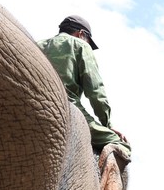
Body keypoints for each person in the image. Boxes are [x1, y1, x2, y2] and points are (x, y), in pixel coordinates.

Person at [37, 15, 132, 161]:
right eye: (88, 40)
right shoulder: (80, 45)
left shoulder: (38, 44)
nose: (88, 44)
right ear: (81, 34)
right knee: (121, 145)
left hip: (32, 100)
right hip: (65, 106)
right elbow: (95, 91)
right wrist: (107, 125)